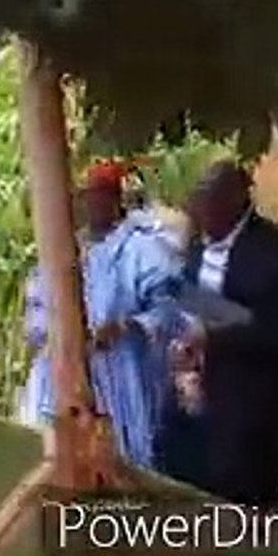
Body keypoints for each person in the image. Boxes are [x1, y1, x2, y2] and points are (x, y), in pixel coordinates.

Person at [18, 160, 182, 469]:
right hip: (60, 373)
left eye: (100, 195)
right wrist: (52, 333)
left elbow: (170, 309)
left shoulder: (142, 249)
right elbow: (37, 311)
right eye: (85, 196)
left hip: (119, 375)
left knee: (119, 465)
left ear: (116, 198)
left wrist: (126, 326)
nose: (91, 203)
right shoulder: (64, 248)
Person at [174, 160, 278, 507]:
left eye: (210, 199)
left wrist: (216, 335)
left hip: (257, 407)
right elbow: (198, 306)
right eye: (198, 199)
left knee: (245, 505)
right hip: (198, 399)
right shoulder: (196, 251)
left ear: (237, 199)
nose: (200, 209)